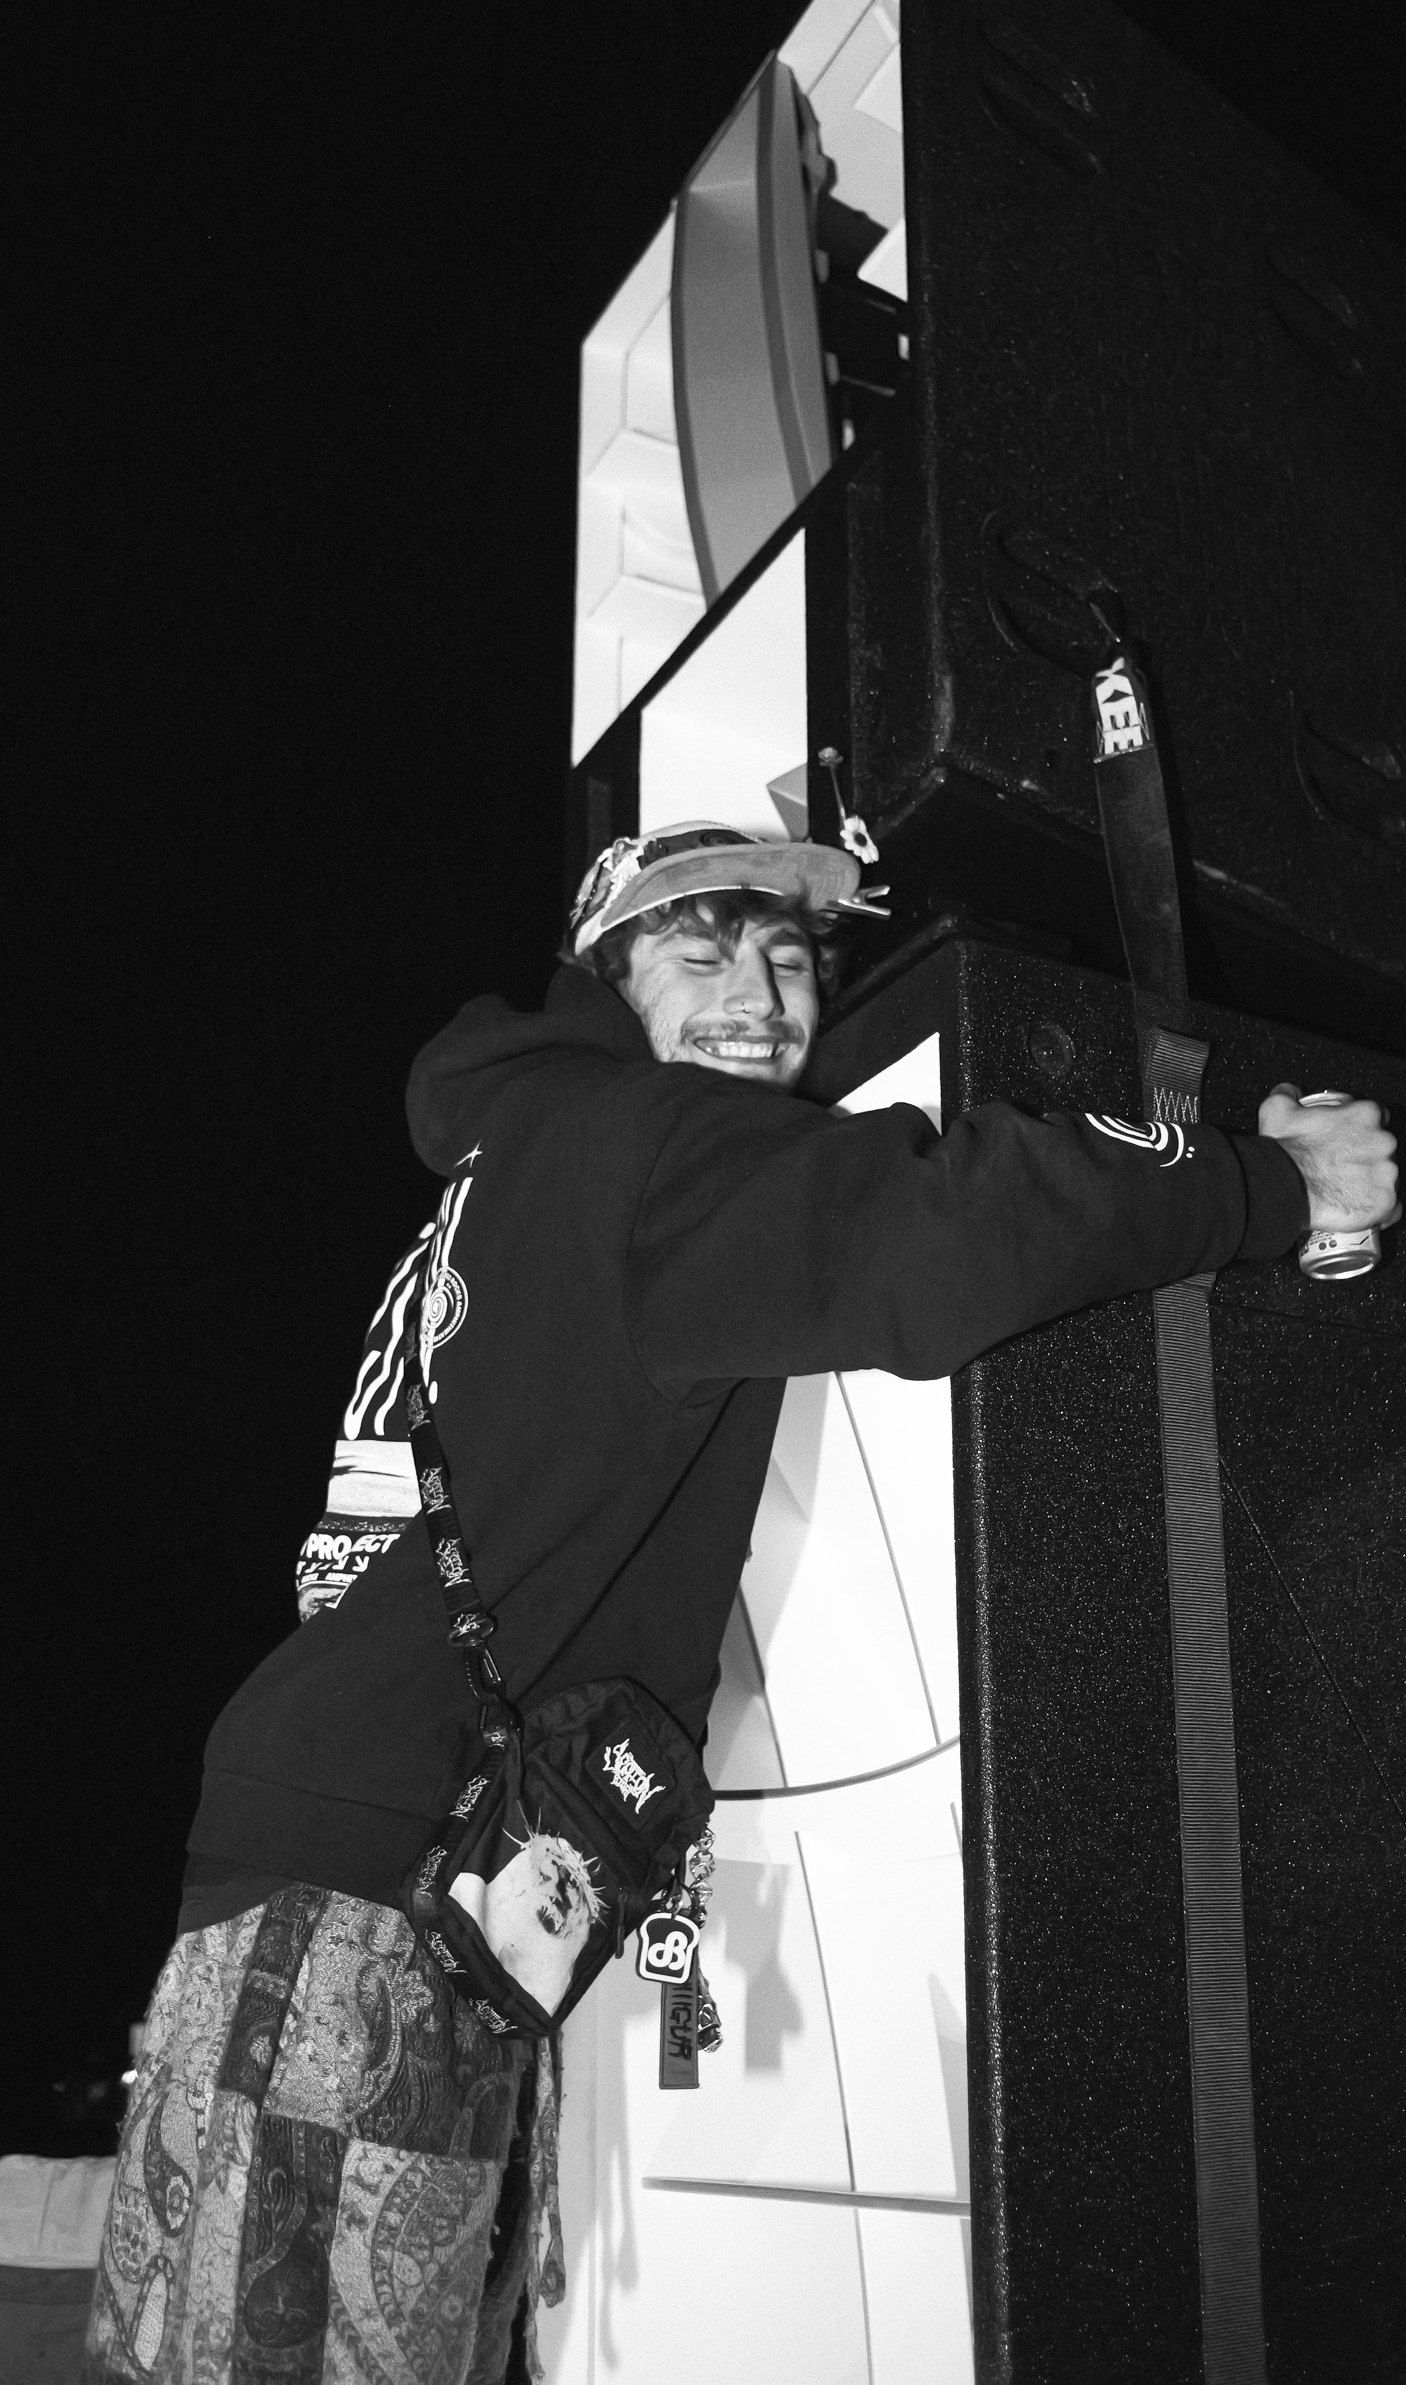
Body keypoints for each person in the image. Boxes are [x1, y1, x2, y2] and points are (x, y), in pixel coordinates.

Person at [85, 822, 1398, 2385]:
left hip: (358, 1850)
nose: (759, 996)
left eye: (784, 962)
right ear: (604, 973)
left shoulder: (519, 1144)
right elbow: (943, 1233)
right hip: (378, 1891)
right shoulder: (644, 1141)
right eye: (697, 953)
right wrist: (1272, 1181)